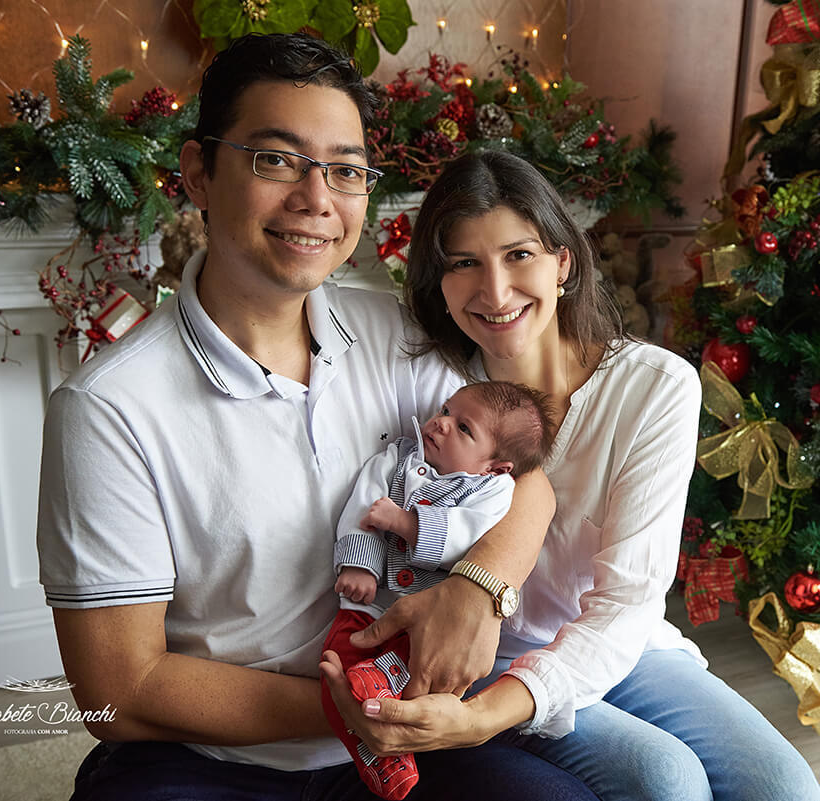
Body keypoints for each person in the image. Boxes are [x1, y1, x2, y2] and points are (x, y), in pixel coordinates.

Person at [36, 33, 600, 801]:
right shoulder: (106, 409)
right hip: (216, 759)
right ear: (199, 173)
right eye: (275, 159)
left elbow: (524, 479)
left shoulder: (396, 336)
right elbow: (118, 690)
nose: (316, 199)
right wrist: (350, 709)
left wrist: (479, 586)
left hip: (402, 720)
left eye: (344, 170)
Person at [322, 151, 820, 801]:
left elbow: (625, 604)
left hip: (622, 642)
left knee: (784, 785)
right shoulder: (436, 392)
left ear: (563, 262)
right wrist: (478, 701)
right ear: (438, 282)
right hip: (483, 655)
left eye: (519, 255)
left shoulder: (652, 387)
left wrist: (483, 720)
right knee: (666, 782)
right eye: (464, 263)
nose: (495, 292)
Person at [323, 380, 554, 799]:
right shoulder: (396, 459)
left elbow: (467, 539)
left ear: (495, 466)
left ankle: (387, 704)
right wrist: (360, 564)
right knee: (339, 660)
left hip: (427, 620)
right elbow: (362, 508)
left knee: (423, 667)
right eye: (447, 410)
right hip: (372, 604)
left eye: (464, 429)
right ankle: (373, 750)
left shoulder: (490, 492)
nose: (442, 423)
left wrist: (408, 525)